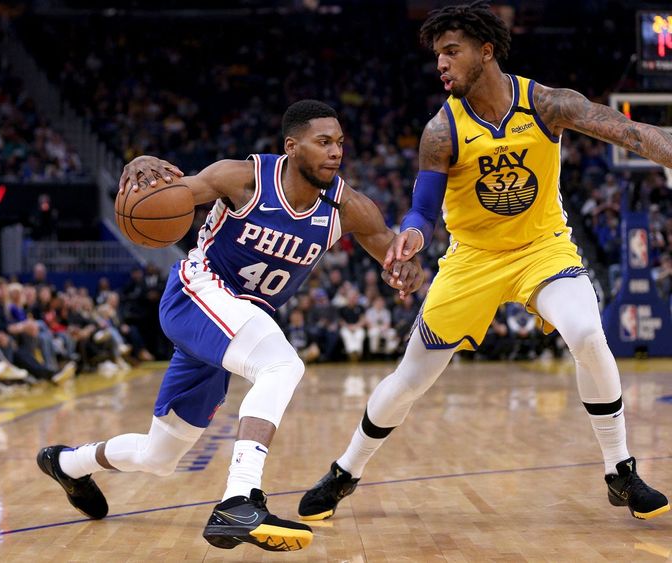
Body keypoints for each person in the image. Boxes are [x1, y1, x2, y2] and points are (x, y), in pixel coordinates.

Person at [299, 1, 671, 524]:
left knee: (588, 333)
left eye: (451, 52)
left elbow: (632, 133)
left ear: (486, 51)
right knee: (411, 379)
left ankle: (620, 471)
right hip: (471, 260)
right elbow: (423, 210)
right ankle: (344, 471)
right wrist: (409, 238)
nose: (441, 64)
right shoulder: (441, 130)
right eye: (437, 56)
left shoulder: (548, 104)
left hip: (542, 249)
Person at [35, 100, 424, 552]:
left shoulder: (348, 206)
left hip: (234, 325)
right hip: (197, 293)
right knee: (282, 365)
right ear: (292, 147)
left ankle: (67, 463)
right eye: (324, 142)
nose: (336, 151)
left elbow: (390, 253)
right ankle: (239, 499)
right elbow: (176, 190)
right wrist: (140, 163)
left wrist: (403, 269)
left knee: (160, 456)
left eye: (339, 142)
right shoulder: (243, 178)